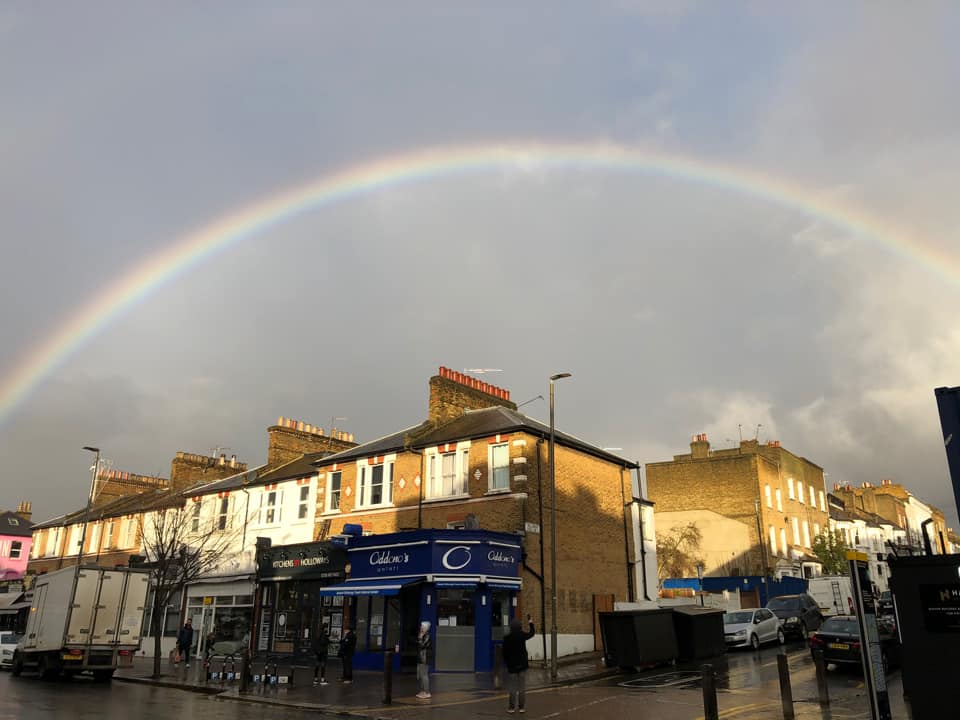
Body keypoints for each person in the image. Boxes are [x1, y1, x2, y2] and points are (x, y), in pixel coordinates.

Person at [502, 615, 535, 714]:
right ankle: (521, 707)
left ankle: (511, 708)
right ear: (520, 627)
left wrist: (508, 664)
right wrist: (530, 622)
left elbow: (504, 653)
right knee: (521, 688)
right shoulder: (522, 635)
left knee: (512, 688)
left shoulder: (507, 638)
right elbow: (532, 633)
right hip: (522, 665)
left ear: (511, 627)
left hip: (512, 666)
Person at [416, 621, 432, 699]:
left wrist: (420, 638)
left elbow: (422, 645)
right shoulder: (423, 635)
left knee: (424, 675)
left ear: (425, 628)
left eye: (421, 626)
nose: (420, 627)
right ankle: (422, 691)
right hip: (421, 657)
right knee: (421, 675)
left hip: (424, 658)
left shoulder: (427, 636)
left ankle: (427, 692)